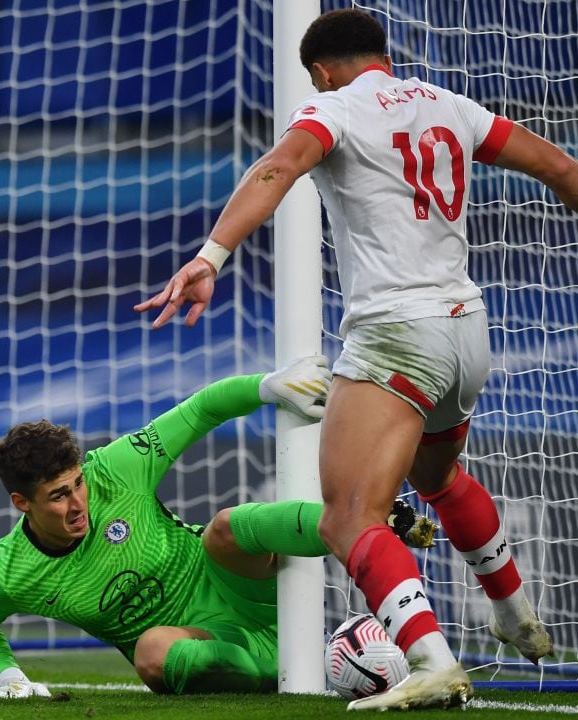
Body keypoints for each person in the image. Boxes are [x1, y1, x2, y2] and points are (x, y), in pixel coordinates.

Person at [134, 8, 577, 711]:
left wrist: (210, 254)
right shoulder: (448, 103)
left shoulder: (333, 106)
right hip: (467, 331)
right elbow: (559, 166)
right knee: (436, 474)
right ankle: (512, 608)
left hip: (396, 332)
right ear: (382, 54)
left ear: (320, 69)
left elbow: (279, 165)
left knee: (347, 515)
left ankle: (431, 661)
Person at [0, 356, 438, 698]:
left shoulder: (114, 469)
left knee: (225, 527)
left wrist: (268, 387)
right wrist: (7, 677)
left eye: (77, 484)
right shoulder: (12, 570)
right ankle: (288, 672)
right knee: (152, 652)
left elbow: (201, 409)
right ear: (22, 503)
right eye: (58, 496)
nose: (78, 503)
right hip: (199, 647)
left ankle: (360, 523)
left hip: (239, 586)